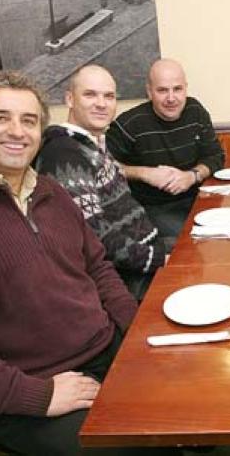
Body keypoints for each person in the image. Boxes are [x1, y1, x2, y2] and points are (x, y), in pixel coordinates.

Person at [0, 70, 174, 455]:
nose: (17, 131)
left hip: (105, 348)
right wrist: (38, 395)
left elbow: (98, 268)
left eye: (28, 121)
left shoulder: (52, 193)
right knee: (137, 443)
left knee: (188, 401)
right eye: (1, 118)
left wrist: (133, 329)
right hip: (28, 388)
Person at [35, 64, 166, 300]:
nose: (101, 103)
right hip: (127, 276)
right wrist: (159, 259)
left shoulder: (88, 142)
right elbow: (95, 236)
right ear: (70, 99)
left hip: (145, 249)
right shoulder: (64, 153)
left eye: (109, 96)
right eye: (90, 95)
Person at [106, 58, 225, 245]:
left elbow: (216, 155)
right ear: (149, 92)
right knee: (196, 240)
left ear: (185, 89)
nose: (171, 98)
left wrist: (192, 176)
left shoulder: (196, 111)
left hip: (198, 198)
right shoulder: (129, 124)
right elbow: (101, 168)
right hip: (155, 208)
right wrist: (144, 173)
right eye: (162, 90)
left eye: (177, 89)